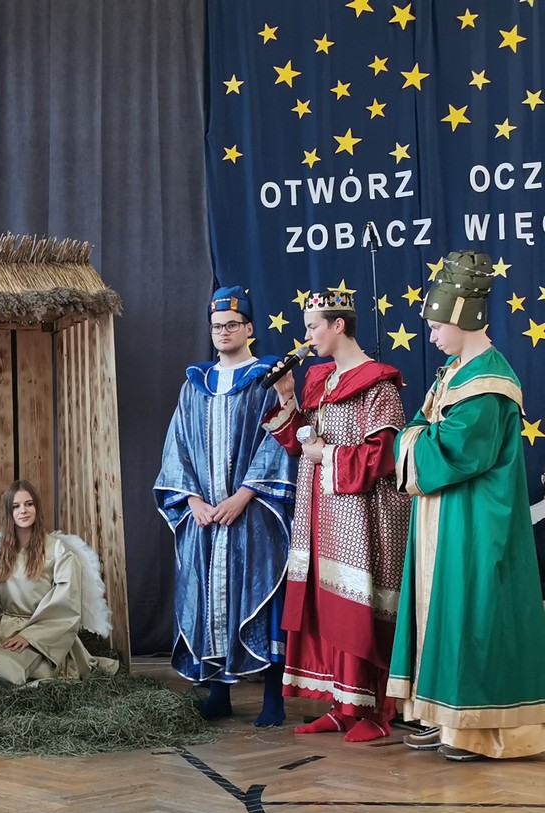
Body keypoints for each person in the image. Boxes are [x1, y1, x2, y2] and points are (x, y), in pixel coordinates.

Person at [389, 250, 545, 761]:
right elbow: (420, 429)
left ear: (462, 319)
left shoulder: (486, 384)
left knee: (473, 613)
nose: (432, 336)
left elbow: (452, 453)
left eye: (437, 327)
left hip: (477, 520)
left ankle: (477, 728)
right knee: (446, 614)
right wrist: (417, 434)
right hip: (447, 516)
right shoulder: (454, 373)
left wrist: (413, 437)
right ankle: (445, 718)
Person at [264, 289, 410, 742]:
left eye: (313, 327)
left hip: (363, 514)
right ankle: (341, 706)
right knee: (325, 605)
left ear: (338, 325)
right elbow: (301, 441)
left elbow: (382, 457)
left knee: (357, 605)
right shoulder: (320, 380)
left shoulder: (379, 384)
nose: (307, 336)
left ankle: (375, 712)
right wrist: (287, 396)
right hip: (321, 510)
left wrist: (325, 454)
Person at [155, 286, 295, 726]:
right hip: (205, 518)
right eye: (217, 326)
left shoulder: (267, 378)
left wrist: (245, 494)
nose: (223, 332)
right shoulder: (194, 385)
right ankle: (219, 692)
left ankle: (273, 697)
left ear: (249, 328)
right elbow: (178, 445)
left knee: (260, 594)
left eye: (232, 324)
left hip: (253, 511)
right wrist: (192, 499)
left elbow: (278, 437)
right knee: (208, 598)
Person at [0, 480, 117, 685]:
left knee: (7, 669)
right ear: (8, 513)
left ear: (37, 508)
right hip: (8, 634)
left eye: (29, 504)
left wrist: (30, 637)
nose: (23, 511)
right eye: (16, 506)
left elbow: (66, 605)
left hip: (47, 639)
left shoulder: (59, 552)